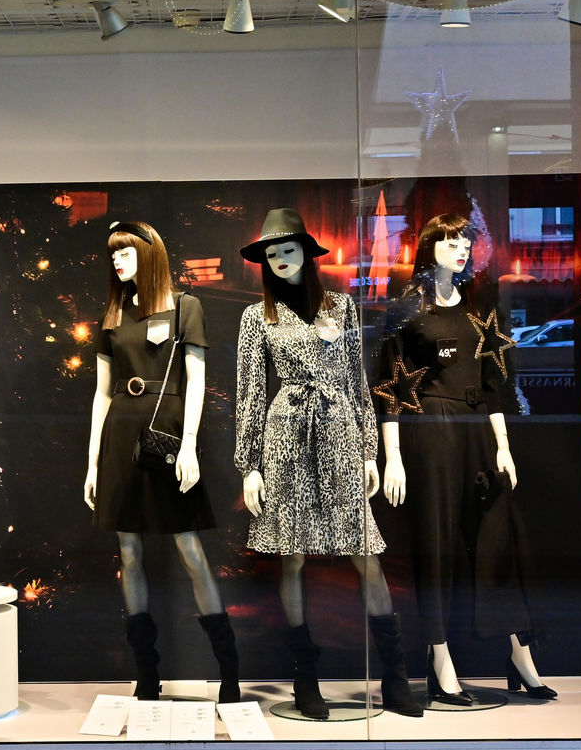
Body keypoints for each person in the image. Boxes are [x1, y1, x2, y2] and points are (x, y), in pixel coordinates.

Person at [235, 208, 423, 719]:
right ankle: (305, 677)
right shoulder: (257, 317)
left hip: (339, 428)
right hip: (286, 434)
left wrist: (367, 451)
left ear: (306, 251)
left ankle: (395, 676)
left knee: (365, 552)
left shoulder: (340, 306)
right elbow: (250, 391)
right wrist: (250, 464)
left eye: (287, 248)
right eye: (271, 253)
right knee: (291, 554)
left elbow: (357, 381)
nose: (279, 258)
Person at [373, 213, 556, 705]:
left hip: (478, 431)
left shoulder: (480, 310)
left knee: (498, 539)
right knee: (436, 543)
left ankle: (519, 652)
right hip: (431, 432)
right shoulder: (406, 310)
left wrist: (503, 445)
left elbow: (495, 385)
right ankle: (439, 658)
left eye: (466, 242)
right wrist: (392, 455)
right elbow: (388, 387)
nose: (461, 249)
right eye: (451, 241)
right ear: (429, 246)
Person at [83, 220, 240, 704]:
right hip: (120, 435)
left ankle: (229, 672)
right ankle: (146, 674)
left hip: (166, 433)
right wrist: (92, 462)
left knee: (190, 550)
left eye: (125, 251)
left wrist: (189, 443)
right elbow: (101, 393)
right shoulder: (113, 313)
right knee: (128, 552)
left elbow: (197, 380)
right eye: (113, 253)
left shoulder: (184, 306)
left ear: (150, 254)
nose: (116, 260)